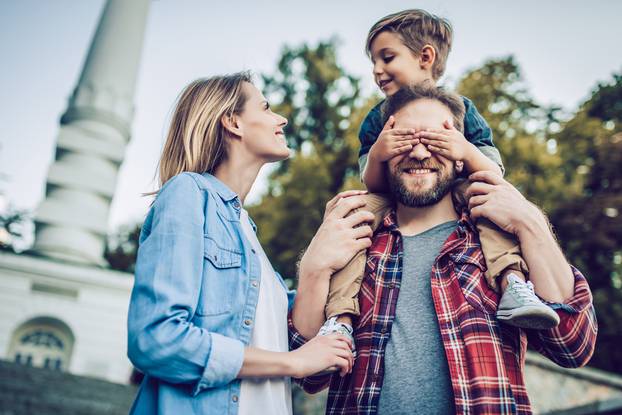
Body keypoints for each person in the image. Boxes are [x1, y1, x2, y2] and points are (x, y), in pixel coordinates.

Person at [289, 84, 597, 414]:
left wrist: (531, 224)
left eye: (435, 140)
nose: (420, 153)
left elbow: (573, 346)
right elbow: (310, 376)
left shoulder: (497, 242)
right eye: (405, 139)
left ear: (462, 156)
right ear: (381, 151)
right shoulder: (355, 239)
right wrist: (313, 268)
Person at [126, 72, 372, 414]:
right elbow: (156, 339)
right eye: (266, 107)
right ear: (232, 122)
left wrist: (317, 263)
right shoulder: (189, 193)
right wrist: (293, 363)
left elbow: (296, 341)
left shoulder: (245, 230)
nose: (282, 118)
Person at [317, 10, 558, 353]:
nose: (376, 70)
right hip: (396, 197)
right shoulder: (377, 119)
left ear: (425, 57)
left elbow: (492, 173)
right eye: (373, 61)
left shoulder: (461, 109)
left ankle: (512, 282)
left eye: (387, 58)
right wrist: (378, 155)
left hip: (456, 190)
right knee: (354, 215)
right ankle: (340, 318)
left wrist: (464, 149)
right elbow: (373, 184)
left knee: (490, 202)